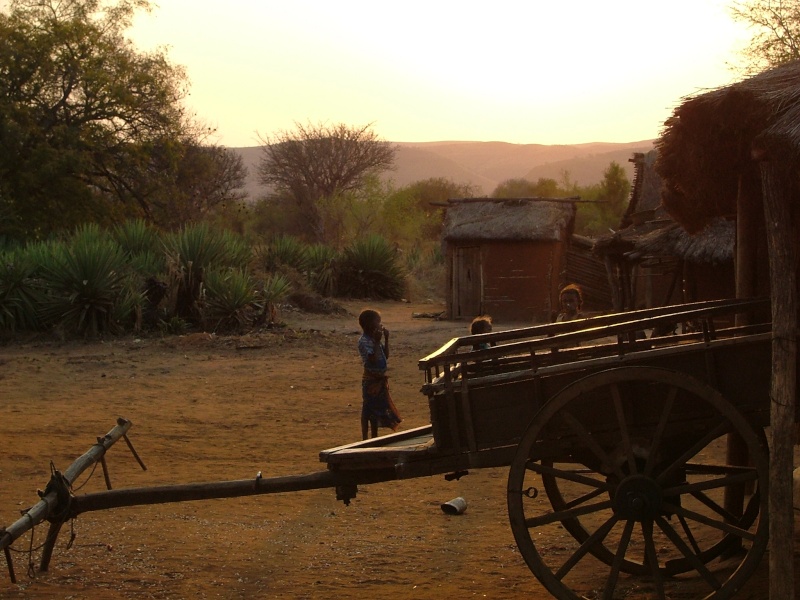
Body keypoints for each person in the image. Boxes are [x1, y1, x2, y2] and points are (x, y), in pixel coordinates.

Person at [357, 309, 402, 440]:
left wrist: (386, 340)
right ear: (370, 324)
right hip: (371, 380)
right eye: (378, 322)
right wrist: (377, 342)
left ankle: (374, 436)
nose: (380, 325)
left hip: (378, 380)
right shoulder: (364, 341)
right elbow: (372, 359)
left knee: (375, 408)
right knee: (368, 408)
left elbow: (385, 356)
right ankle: (365, 436)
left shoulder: (374, 339)